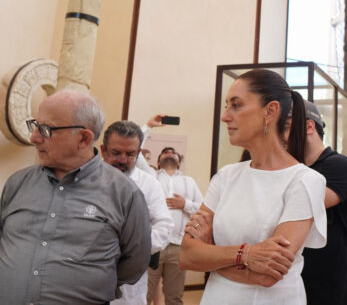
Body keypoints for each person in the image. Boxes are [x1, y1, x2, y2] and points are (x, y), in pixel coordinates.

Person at [178, 69, 327, 304]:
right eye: (227, 106)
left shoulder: (305, 180)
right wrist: (246, 254)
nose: (225, 116)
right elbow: (186, 255)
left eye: (236, 105)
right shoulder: (226, 176)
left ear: (270, 111)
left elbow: (269, 274)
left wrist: (211, 255)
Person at [0, 89, 151, 304]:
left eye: (45, 129)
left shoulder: (125, 194)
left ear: (83, 138)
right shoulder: (17, 183)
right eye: (35, 126)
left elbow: (133, 264)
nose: (34, 137)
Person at [289, 100, 347, 305]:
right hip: (298, 277)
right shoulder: (295, 169)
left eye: (285, 127)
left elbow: (300, 207)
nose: (279, 136)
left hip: (329, 284)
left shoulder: (339, 166)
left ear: (309, 127)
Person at [102, 121, 174, 305]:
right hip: (85, 280)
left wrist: (128, 246)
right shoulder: (84, 180)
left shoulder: (149, 185)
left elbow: (164, 227)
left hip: (129, 288)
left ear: (138, 153)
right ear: (103, 150)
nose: (123, 160)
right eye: (116, 153)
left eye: (130, 154)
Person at [147, 147, 203, 305]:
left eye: (173, 153)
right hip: (153, 245)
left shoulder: (189, 181)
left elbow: (202, 209)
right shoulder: (151, 178)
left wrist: (185, 204)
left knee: (174, 297)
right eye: (165, 152)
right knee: (144, 295)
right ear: (158, 162)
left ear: (179, 163)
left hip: (178, 246)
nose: (169, 153)